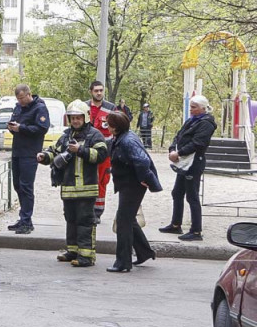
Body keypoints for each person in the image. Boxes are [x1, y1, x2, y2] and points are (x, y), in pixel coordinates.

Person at [37, 100, 108, 267]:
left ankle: (86, 256)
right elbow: (53, 151)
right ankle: (73, 251)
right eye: (72, 118)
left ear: (85, 118)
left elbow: (102, 154)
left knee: (85, 222)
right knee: (71, 220)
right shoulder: (66, 136)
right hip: (68, 189)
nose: (75, 121)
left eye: (78, 117)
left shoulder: (94, 135)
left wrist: (81, 150)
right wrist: (43, 156)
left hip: (86, 189)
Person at [106, 111, 162, 272]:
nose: (107, 127)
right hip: (129, 184)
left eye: (109, 124)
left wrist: (143, 178)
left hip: (132, 185)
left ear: (115, 127)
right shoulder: (123, 137)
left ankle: (123, 262)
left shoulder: (127, 140)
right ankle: (144, 252)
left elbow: (142, 161)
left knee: (123, 221)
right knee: (128, 219)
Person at [159, 95, 217, 241]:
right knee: (177, 193)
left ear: (203, 108)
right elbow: (179, 136)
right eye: (190, 106)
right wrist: (172, 149)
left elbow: (198, 143)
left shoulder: (206, 123)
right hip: (183, 161)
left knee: (192, 196)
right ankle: (176, 224)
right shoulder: (192, 120)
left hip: (194, 162)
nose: (190, 109)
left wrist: (179, 152)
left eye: (194, 107)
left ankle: (196, 231)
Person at [6, 84, 50, 235]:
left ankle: (26, 220)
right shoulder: (18, 107)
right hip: (17, 150)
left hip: (30, 152)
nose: (20, 101)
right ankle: (24, 219)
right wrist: (12, 127)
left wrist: (21, 128)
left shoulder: (39, 108)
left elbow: (42, 129)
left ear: (28, 94)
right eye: (18, 99)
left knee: (26, 186)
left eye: (22, 98)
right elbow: (15, 123)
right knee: (17, 185)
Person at [86, 81, 116, 223]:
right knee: (86, 180)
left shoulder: (110, 108)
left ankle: (97, 212)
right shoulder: (84, 107)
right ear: (91, 91)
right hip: (86, 152)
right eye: (96, 90)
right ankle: (86, 210)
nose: (99, 93)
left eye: (101, 90)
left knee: (102, 181)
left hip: (105, 153)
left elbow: (117, 130)